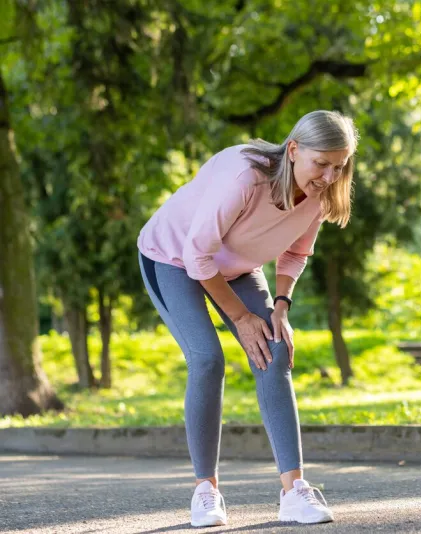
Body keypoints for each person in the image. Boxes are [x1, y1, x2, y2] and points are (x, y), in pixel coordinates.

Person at [136, 110, 358, 527]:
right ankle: (206, 491)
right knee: (207, 359)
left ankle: (294, 491)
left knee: (275, 348)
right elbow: (197, 256)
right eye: (322, 164)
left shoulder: (321, 194)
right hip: (172, 257)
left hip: (235, 267)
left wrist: (280, 306)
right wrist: (240, 317)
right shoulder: (246, 178)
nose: (330, 176)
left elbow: (296, 253)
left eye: (339, 166)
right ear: (293, 150)